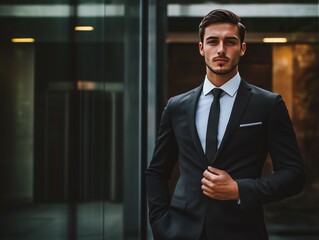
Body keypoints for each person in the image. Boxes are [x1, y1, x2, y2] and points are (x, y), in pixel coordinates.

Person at [146, 9, 305, 240]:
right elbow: (157, 172)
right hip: (180, 231)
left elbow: (294, 175)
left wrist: (239, 190)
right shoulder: (176, 106)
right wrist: (160, 224)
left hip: (242, 231)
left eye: (230, 42)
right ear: (201, 48)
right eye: (212, 41)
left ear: (242, 48)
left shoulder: (268, 105)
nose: (221, 49)